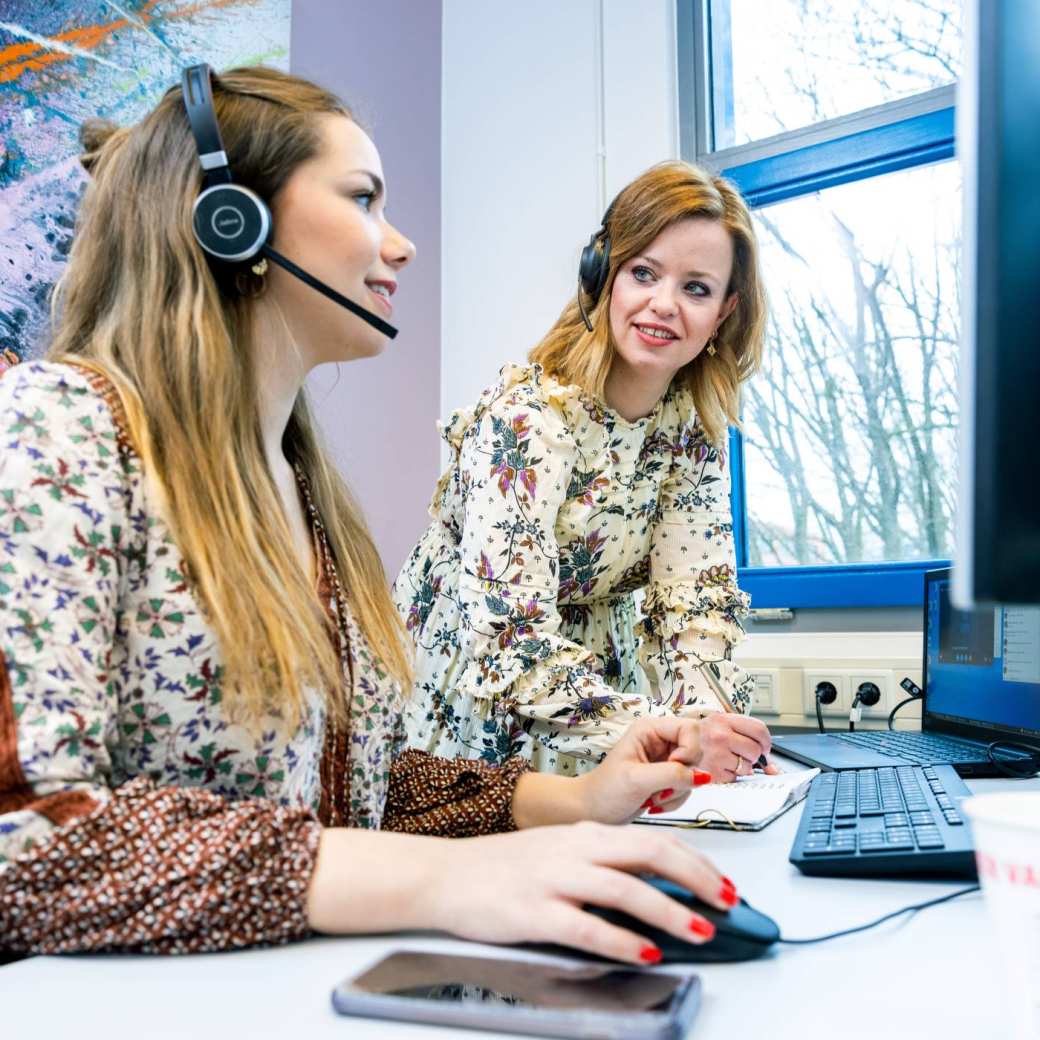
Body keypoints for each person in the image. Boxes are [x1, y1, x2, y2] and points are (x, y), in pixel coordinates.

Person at [0, 66, 756, 964]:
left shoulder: (300, 488)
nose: (399, 245)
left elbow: (355, 793)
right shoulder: (57, 424)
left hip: (282, 984)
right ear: (229, 219)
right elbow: (29, 834)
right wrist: (442, 882)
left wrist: (576, 802)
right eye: (363, 199)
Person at [395, 160, 773, 780]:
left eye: (696, 288)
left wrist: (714, 732)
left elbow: (695, 606)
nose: (663, 305)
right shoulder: (527, 420)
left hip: (600, 702)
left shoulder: (691, 432)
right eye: (643, 273)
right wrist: (664, 735)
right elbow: (508, 643)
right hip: (471, 701)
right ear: (603, 277)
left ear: (724, 312)